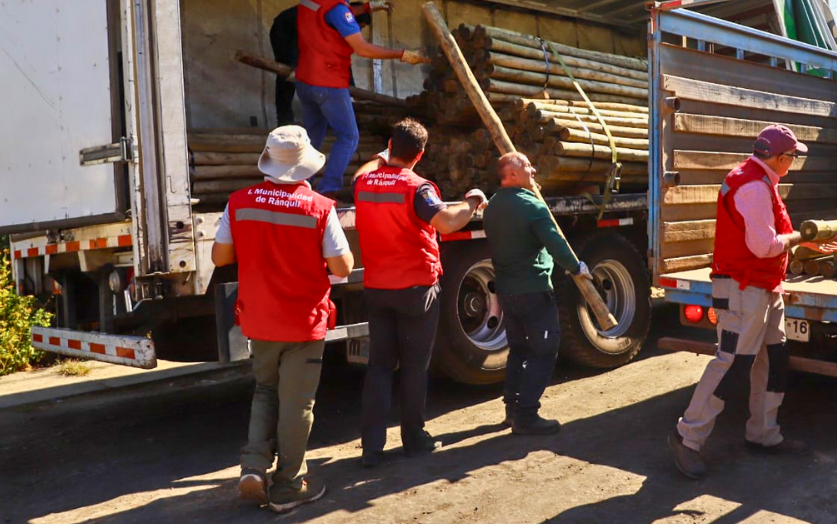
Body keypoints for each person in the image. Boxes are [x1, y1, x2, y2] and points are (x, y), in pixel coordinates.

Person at [667, 124, 837, 480]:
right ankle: (687, 438)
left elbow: (767, 237)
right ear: (780, 157)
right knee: (732, 363)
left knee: (774, 358)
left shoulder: (760, 181)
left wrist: (801, 243)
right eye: (793, 157)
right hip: (743, 290)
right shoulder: (754, 186)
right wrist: (797, 239)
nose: (793, 163)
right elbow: (764, 246)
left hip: (763, 287)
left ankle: (763, 434)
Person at [211, 126, 355, 513]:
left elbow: (220, 258)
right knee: (297, 404)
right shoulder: (319, 208)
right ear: (306, 165)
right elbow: (343, 266)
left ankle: (253, 467)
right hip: (303, 321)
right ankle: (288, 487)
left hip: (259, 319)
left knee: (265, 390)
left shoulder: (239, 202)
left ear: (269, 161)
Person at [352, 118, 488, 467]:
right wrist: (472, 202)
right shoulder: (417, 188)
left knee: (379, 367)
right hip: (415, 290)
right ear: (421, 154)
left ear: (389, 146)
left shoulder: (365, 182)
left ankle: (371, 448)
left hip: (377, 287)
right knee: (414, 367)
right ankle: (414, 439)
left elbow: (362, 172)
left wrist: (382, 157)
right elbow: (448, 223)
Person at [295, 0, 426, 197]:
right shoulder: (337, 6)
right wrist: (403, 54)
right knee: (348, 136)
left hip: (304, 79)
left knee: (313, 136)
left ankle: (300, 185)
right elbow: (362, 48)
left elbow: (332, 14)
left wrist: (367, 7)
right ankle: (328, 190)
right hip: (328, 82)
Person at [482, 152, 591, 435]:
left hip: (507, 291)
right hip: (533, 290)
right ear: (513, 174)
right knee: (544, 349)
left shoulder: (492, 206)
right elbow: (555, 243)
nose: (533, 170)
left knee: (518, 349)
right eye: (528, 166)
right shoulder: (532, 206)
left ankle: (512, 410)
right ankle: (527, 415)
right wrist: (576, 266)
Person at [269, 1, 376, 127]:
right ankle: (284, 120)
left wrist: (352, 87)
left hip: (301, 34)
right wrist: (294, 64)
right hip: (285, 29)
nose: (359, 31)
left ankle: (321, 120)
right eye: (360, 27)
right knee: (287, 73)